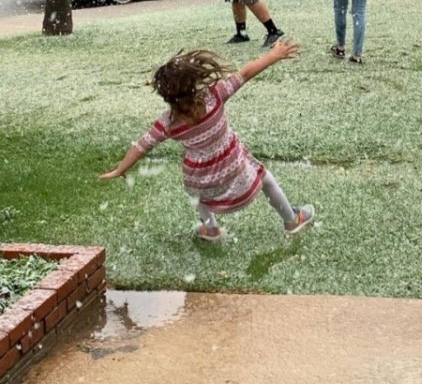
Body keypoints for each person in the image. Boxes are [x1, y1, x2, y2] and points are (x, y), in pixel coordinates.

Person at [99, 39, 315, 242]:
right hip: (233, 168)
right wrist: (273, 55)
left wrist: (119, 169)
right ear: (193, 84)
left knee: (197, 194)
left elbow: (140, 146)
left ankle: (211, 228)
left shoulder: (168, 123)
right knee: (265, 179)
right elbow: (245, 73)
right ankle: (291, 220)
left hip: (200, 178)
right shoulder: (214, 96)